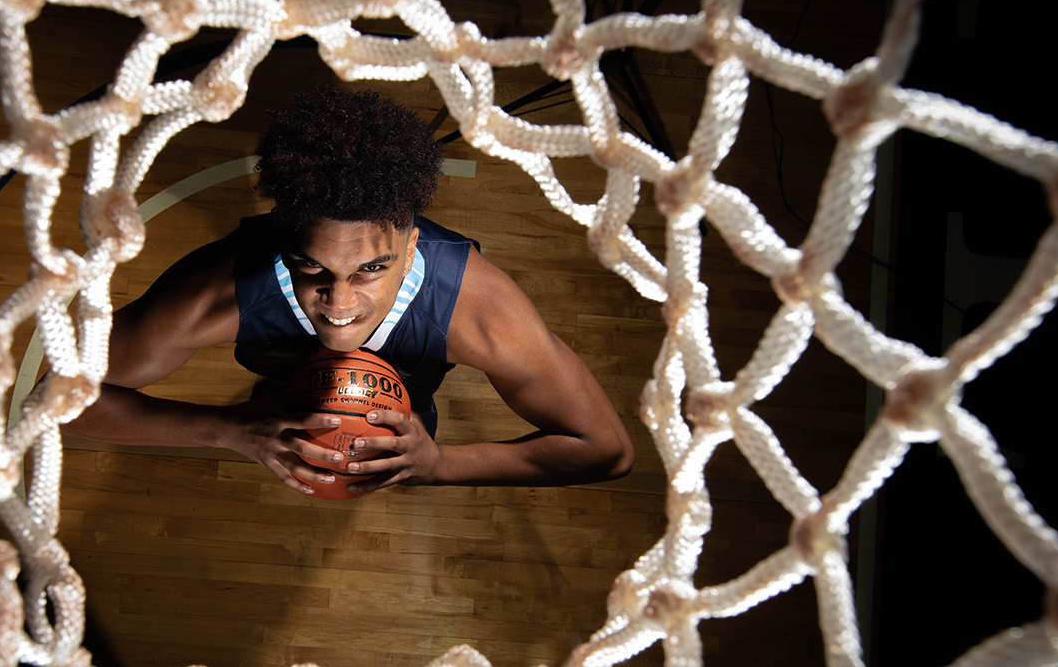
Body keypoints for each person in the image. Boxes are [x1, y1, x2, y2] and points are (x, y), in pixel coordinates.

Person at [66, 88, 634, 497]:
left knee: (405, 444)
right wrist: (231, 429)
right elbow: (61, 405)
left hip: (407, 402)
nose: (338, 305)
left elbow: (607, 450)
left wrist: (436, 464)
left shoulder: (478, 310)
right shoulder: (210, 293)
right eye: (310, 266)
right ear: (284, 239)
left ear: (412, 248)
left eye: (370, 269)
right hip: (282, 391)